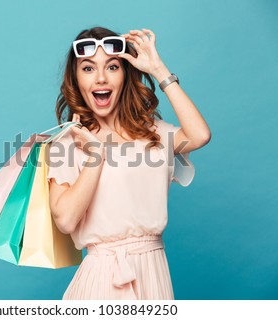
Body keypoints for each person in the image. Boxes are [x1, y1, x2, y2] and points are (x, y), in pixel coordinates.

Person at [46, 26, 211, 300]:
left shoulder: (153, 132)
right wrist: (95, 156)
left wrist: (159, 71)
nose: (100, 78)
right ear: (76, 80)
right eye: (88, 69)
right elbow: (65, 220)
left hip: (154, 272)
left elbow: (200, 135)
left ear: (125, 74)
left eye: (112, 67)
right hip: (103, 280)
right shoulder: (70, 143)